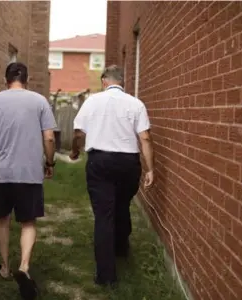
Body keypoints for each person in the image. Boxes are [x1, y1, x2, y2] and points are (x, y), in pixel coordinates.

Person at [0, 62, 57, 300]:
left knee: (2, 220)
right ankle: (23, 266)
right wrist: (50, 163)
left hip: (2, 173)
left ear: (5, 80)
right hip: (29, 173)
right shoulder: (39, 101)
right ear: (27, 80)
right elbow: (49, 137)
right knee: (28, 222)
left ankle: (4, 268)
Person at [69, 65, 154, 286]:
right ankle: (121, 247)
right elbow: (145, 138)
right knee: (123, 204)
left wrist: (75, 150)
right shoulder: (136, 104)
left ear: (105, 81)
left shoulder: (92, 101)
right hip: (128, 163)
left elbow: (78, 132)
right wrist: (150, 168)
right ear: (122, 82)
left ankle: (106, 276)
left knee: (104, 216)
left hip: (100, 161)